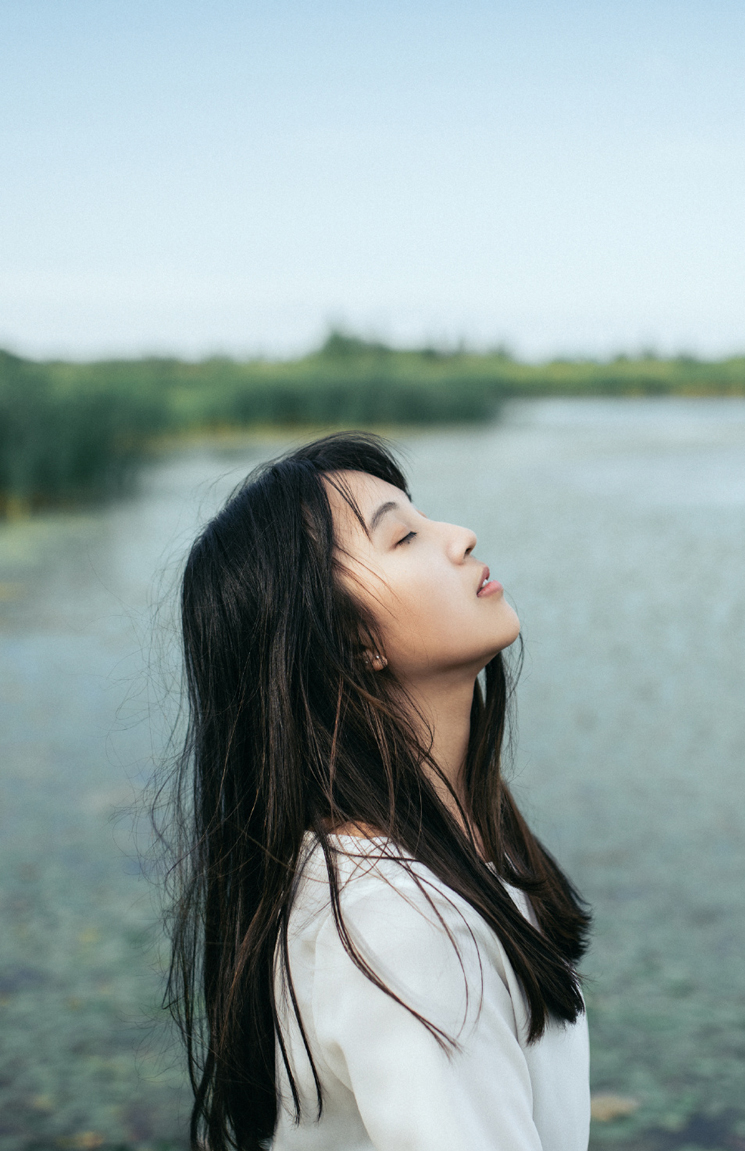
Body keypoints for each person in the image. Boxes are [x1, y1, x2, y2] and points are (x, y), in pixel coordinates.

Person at [164, 432, 591, 1151]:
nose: (460, 536)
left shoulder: (445, 847)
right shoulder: (404, 934)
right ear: (348, 640)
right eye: (403, 537)